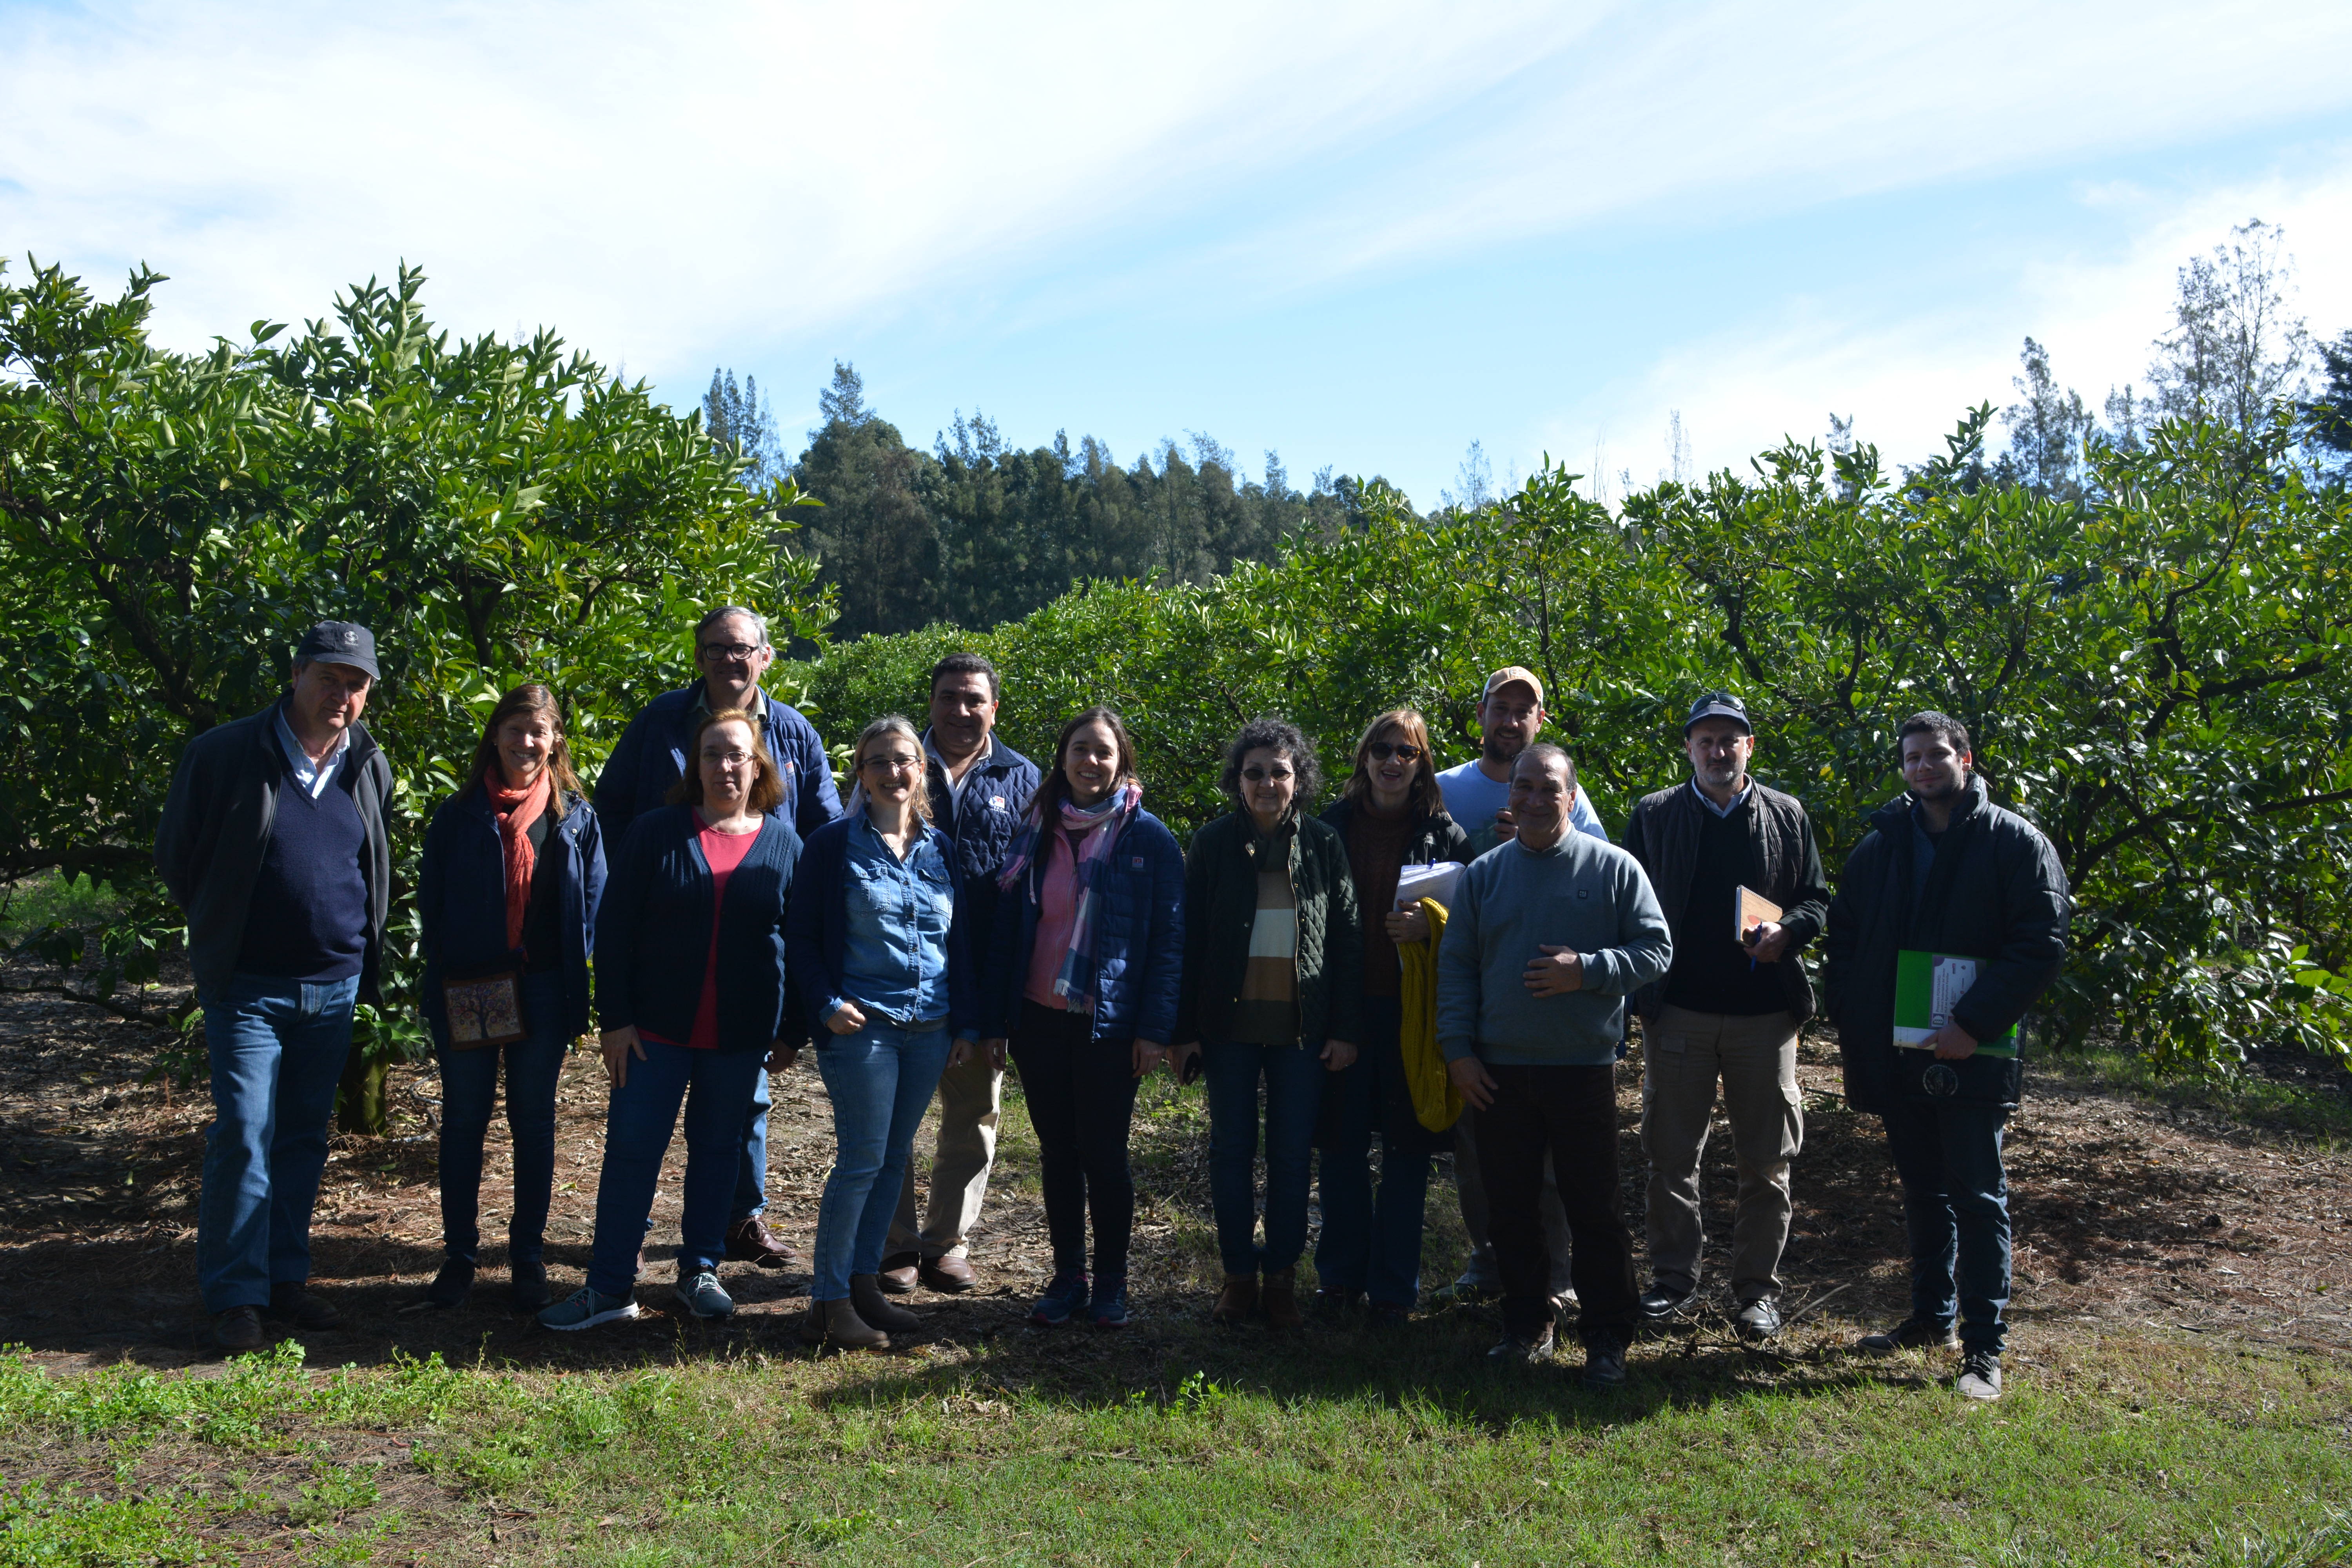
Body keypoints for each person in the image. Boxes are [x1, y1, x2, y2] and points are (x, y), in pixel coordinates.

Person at [155, 621, 394, 1352]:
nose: (341, 695)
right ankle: (234, 1296)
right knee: (245, 1134)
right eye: (329, 677)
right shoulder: (226, 753)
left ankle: (284, 1281)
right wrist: (228, 931)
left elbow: (372, 863)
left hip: (333, 985)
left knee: (300, 1138)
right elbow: (179, 859)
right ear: (295, 675)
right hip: (249, 988)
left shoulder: (367, 763)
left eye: (356, 684)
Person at [1824, 711, 2069, 1401]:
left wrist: (1973, 1021)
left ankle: (1984, 1350)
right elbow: (1845, 933)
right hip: (1899, 1054)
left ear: (1965, 757)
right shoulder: (1882, 846)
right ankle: (1931, 1318)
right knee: (1922, 1191)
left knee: (1978, 1195)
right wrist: (1850, 1006)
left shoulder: (2015, 842)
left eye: (1937, 755)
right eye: (1912, 758)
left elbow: (2041, 944)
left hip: (1974, 1050)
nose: (1924, 767)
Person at [594, 605, 839, 1272]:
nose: (731, 660)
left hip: (749, 975)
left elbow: (827, 828)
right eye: (717, 648)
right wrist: (656, 867)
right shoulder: (659, 721)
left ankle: (736, 1225)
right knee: (642, 1133)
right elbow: (611, 803)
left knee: (734, 1120)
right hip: (664, 964)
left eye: (744, 649)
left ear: (765, 656)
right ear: (700, 656)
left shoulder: (795, 733)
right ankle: (624, 1251)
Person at [539, 708, 802, 1330]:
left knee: (717, 1154)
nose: (725, 766)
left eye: (737, 754)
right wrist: (617, 1020)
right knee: (632, 1154)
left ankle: (699, 1271)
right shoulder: (658, 831)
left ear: (757, 764)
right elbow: (616, 926)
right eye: (712, 754)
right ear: (695, 764)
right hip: (653, 1030)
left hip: (739, 1037)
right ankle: (608, 1288)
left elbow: (799, 940)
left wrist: (792, 1030)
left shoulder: (785, 843)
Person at [1437, 744, 1671, 1388]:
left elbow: (1657, 949)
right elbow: (1455, 967)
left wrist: (1588, 971)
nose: (1535, 800)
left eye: (1549, 789)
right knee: (1510, 1207)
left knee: (1594, 1209)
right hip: (1497, 1073)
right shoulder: (1484, 875)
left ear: (1572, 798)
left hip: (1582, 1068)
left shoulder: (1614, 868)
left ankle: (1605, 1337)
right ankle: (1526, 1326)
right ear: (1509, 795)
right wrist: (1457, 1052)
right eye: (1524, 788)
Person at [1621, 691, 1830, 1343]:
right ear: (1689, 747)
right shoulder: (1654, 816)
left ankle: (1756, 1293)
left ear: (1750, 748)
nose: (1718, 751)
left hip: (1764, 1019)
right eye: (1706, 740)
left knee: (1768, 1162)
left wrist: (1789, 933)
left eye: (1729, 740)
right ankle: (1673, 1280)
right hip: (1677, 1013)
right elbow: (1623, 905)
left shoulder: (1788, 816)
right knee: (1670, 1155)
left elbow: (1818, 900)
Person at [978, 707, 1183, 1329]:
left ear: (1122, 761)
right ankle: (1069, 1276)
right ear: (1061, 756)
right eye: (1080, 750)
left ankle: (1112, 1282)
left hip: (1108, 1024)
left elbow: (1169, 940)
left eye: (1103, 752)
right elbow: (1007, 931)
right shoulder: (1034, 827)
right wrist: (996, 1018)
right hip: (1039, 1018)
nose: (1090, 763)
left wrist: (1154, 1030)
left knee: (1104, 1155)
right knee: (1057, 1152)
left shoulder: (1147, 837)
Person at [786, 717, 981, 1350]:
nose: (893, 772)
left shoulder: (940, 848)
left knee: (894, 1161)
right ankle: (828, 1301)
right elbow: (804, 937)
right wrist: (825, 1002)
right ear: (860, 774)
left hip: (929, 1027)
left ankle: (864, 1284)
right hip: (862, 1027)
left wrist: (963, 1021)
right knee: (862, 1162)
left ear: (920, 770)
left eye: (904, 761)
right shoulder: (833, 845)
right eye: (879, 762)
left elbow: (959, 943)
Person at [413, 684, 607, 1314]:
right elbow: (433, 909)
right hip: (472, 987)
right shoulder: (459, 814)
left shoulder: (575, 817)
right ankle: (459, 1258)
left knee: (534, 1122)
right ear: (495, 736)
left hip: (545, 991)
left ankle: (527, 1256)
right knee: (465, 1121)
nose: (527, 742)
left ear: (556, 743)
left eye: (540, 732)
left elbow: (596, 905)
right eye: (516, 729)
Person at [1170, 717, 1363, 1332]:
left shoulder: (1325, 845)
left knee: (1288, 1157)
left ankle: (1280, 1280)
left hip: (1301, 1031)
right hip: (1227, 1027)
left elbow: (1349, 940)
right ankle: (1237, 1277)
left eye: (1280, 771)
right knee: (1231, 1152)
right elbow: (1188, 939)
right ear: (1238, 780)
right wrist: (1183, 1029)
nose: (1267, 783)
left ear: (1298, 779)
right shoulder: (1212, 843)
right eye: (1254, 772)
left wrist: (1346, 1028)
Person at [1433, 664, 1604, 1306]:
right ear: (1480, 716)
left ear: (1540, 722)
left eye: (1522, 711)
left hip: (1552, 995)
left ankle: (1556, 1272)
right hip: (1477, 986)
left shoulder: (1566, 790)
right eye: (1498, 709)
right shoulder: (1446, 789)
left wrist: (1538, 837)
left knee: (1554, 1155)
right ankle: (1489, 1256)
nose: (1509, 721)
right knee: (1479, 1143)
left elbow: (1595, 867)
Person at [877, 653, 1041, 1296]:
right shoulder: (897, 765)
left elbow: (1028, 895)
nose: (961, 710)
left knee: (973, 1116)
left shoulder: (1024, 779)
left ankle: (947, 1243)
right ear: (932, 703)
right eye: (949, 697)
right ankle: (895, 1246)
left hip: (986, 977)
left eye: (975, 699)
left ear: (994, 707)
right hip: (903, 973)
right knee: (893, 1120)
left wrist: (1004, 1005)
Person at [1313, 708, 1472, 1325]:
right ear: (1364, 757)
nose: (1392, 762)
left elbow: (1474, 930)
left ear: (1422, 763)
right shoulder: (1330, 828)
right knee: (1342, 1148)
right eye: (1382, 749)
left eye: (1406, 752)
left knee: (1408, 1153)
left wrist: (1432, 927)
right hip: (1344, 1012)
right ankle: (1339, 1278)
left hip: (1415, 1016)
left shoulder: (1448, 836)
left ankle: (1393, 1291)